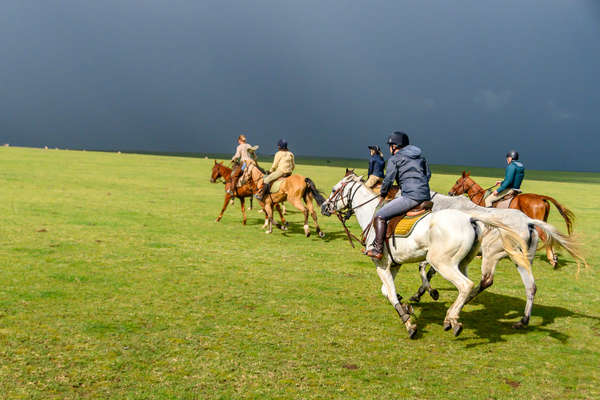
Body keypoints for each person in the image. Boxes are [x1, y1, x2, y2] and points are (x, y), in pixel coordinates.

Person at [365, 132, 432, 260]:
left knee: (379, 216)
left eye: (390, 145)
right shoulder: (420, 158)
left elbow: (388, 180)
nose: (389, 148)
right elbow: (427, 175)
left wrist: (383, 194)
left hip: (410, 197)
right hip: (426, 196)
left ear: (395, 146)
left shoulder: (394, 159)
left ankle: (378, 249)